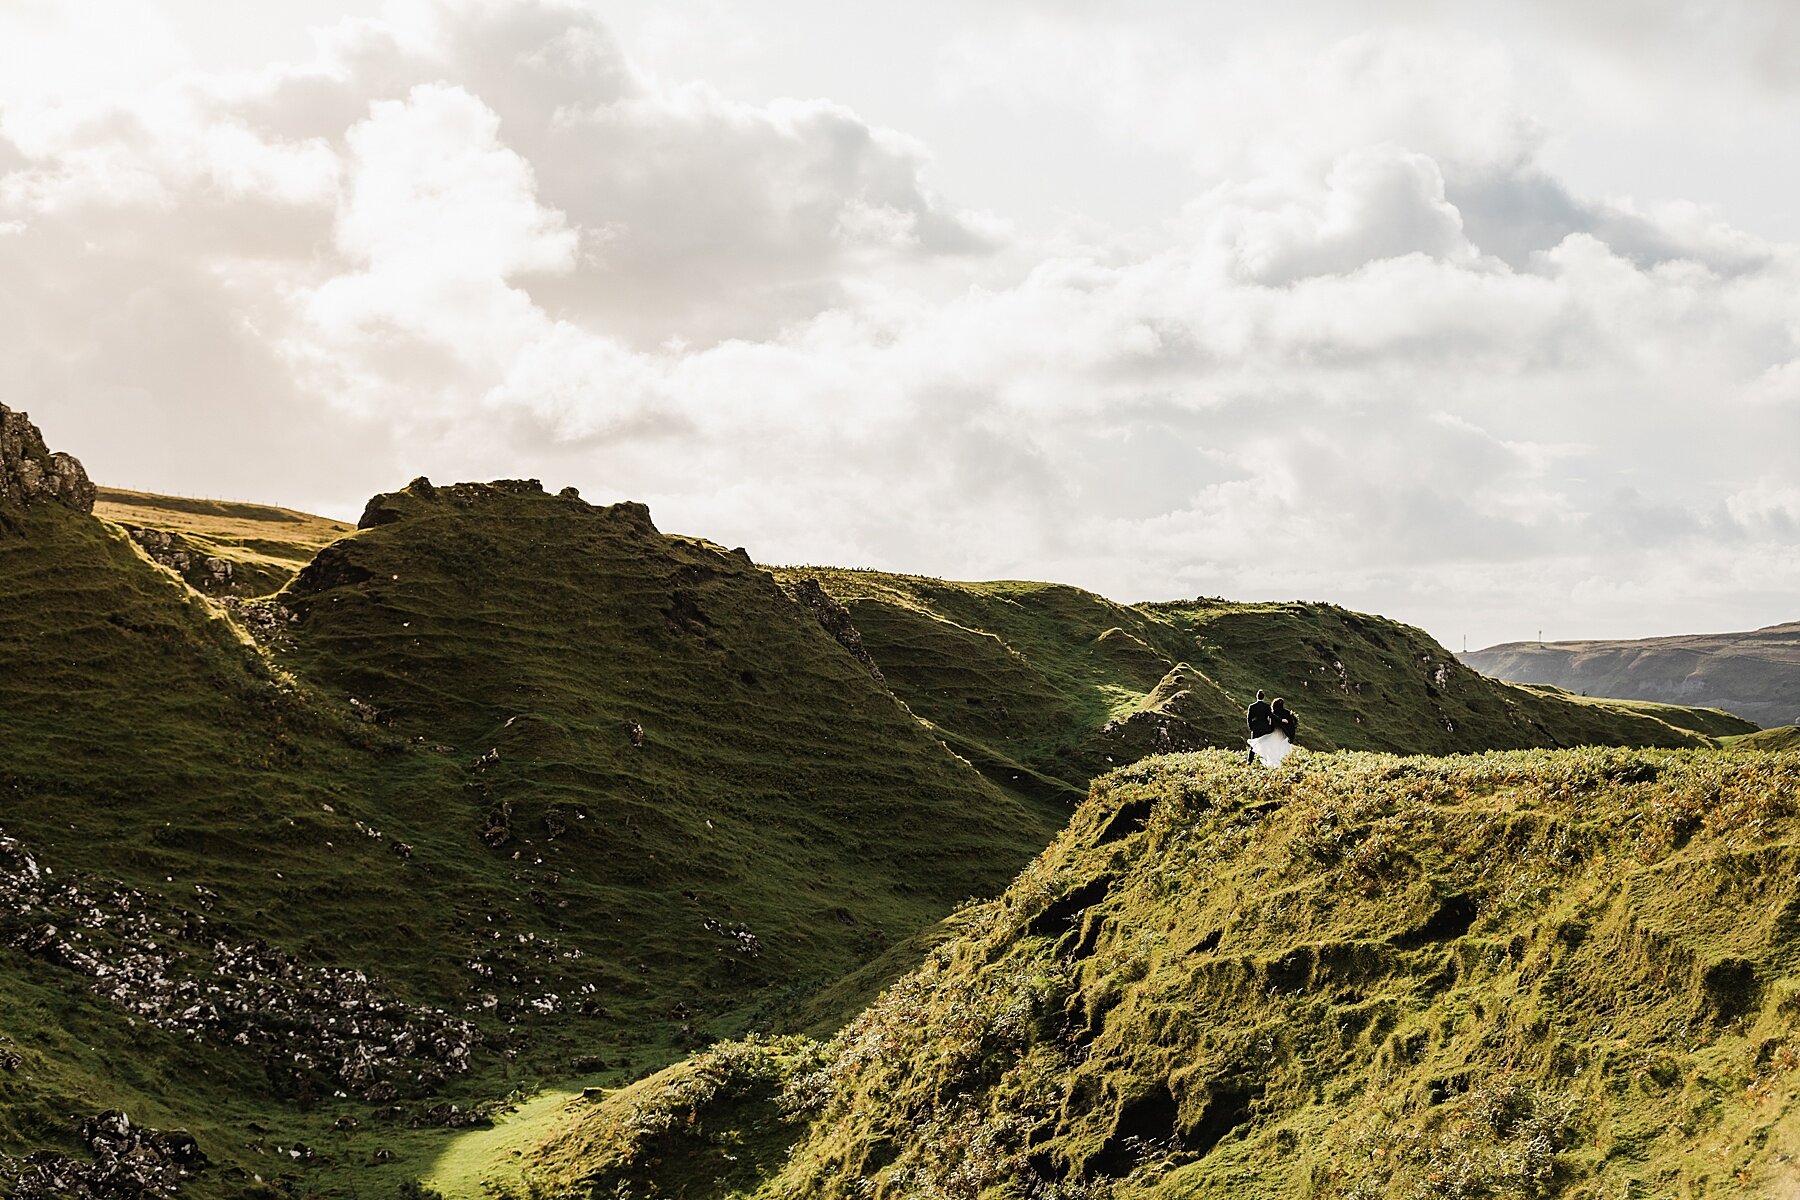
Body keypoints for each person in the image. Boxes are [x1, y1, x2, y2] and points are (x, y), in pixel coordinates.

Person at [1248, 695, 1298, 768]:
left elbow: (1270, 722)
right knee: (1281, 749)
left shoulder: (1273, 712)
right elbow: (1290, 725)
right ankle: (1283, 763)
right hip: (1283, 735)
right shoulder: (1286, 713)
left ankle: (1251, 761)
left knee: (1272, 748)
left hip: (1274, 733)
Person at [1245, 689, 1273, 765]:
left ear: (1257, 697)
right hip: (1265, 728)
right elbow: (1271, 716)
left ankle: (1249, 761)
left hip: (1256, 728)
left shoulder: (1252, 706)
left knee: (1253, 745)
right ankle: (1266, 761)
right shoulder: (1267, 706)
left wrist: (1251, 727)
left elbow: (1249, 718)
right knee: (1266, 745)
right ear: (1263, 697)